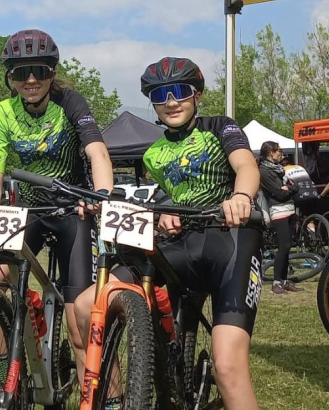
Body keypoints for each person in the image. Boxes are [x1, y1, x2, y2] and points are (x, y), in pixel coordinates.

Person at [0, 29, 114, 387]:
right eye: (20, 72)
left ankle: (102, 393)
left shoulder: (70, 102)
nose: (30, 80)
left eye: (39, 71)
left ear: (52, 73)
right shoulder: (2, 112)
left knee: (78, 321)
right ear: (9, 76)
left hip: (74, 211)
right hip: (32, 210)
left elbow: (97, 153)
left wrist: (102, 195)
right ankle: (5, 378)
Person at [138, 56, 261, 409]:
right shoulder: (153, 154)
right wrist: (163, 213)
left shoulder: (220, 126)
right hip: (182, 245)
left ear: (197, 95)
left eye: (180, 91)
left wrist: (241, 196)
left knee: (227, 366)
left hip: (231, 238)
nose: (171, 101)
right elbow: (166, 196)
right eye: (161, 95)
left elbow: (245, 165)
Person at [257, 141, 300, 294]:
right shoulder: (264, 171)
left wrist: (288, 188)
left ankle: (284, 280)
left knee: (288, 246)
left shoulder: (279, 169)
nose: (281, 153)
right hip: (278, 209)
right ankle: (276, 283)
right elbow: (278, 192)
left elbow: (295, 186)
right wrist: (288, 188)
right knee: (284, 245)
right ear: (270, 153)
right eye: (279, 150)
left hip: (289, 208)